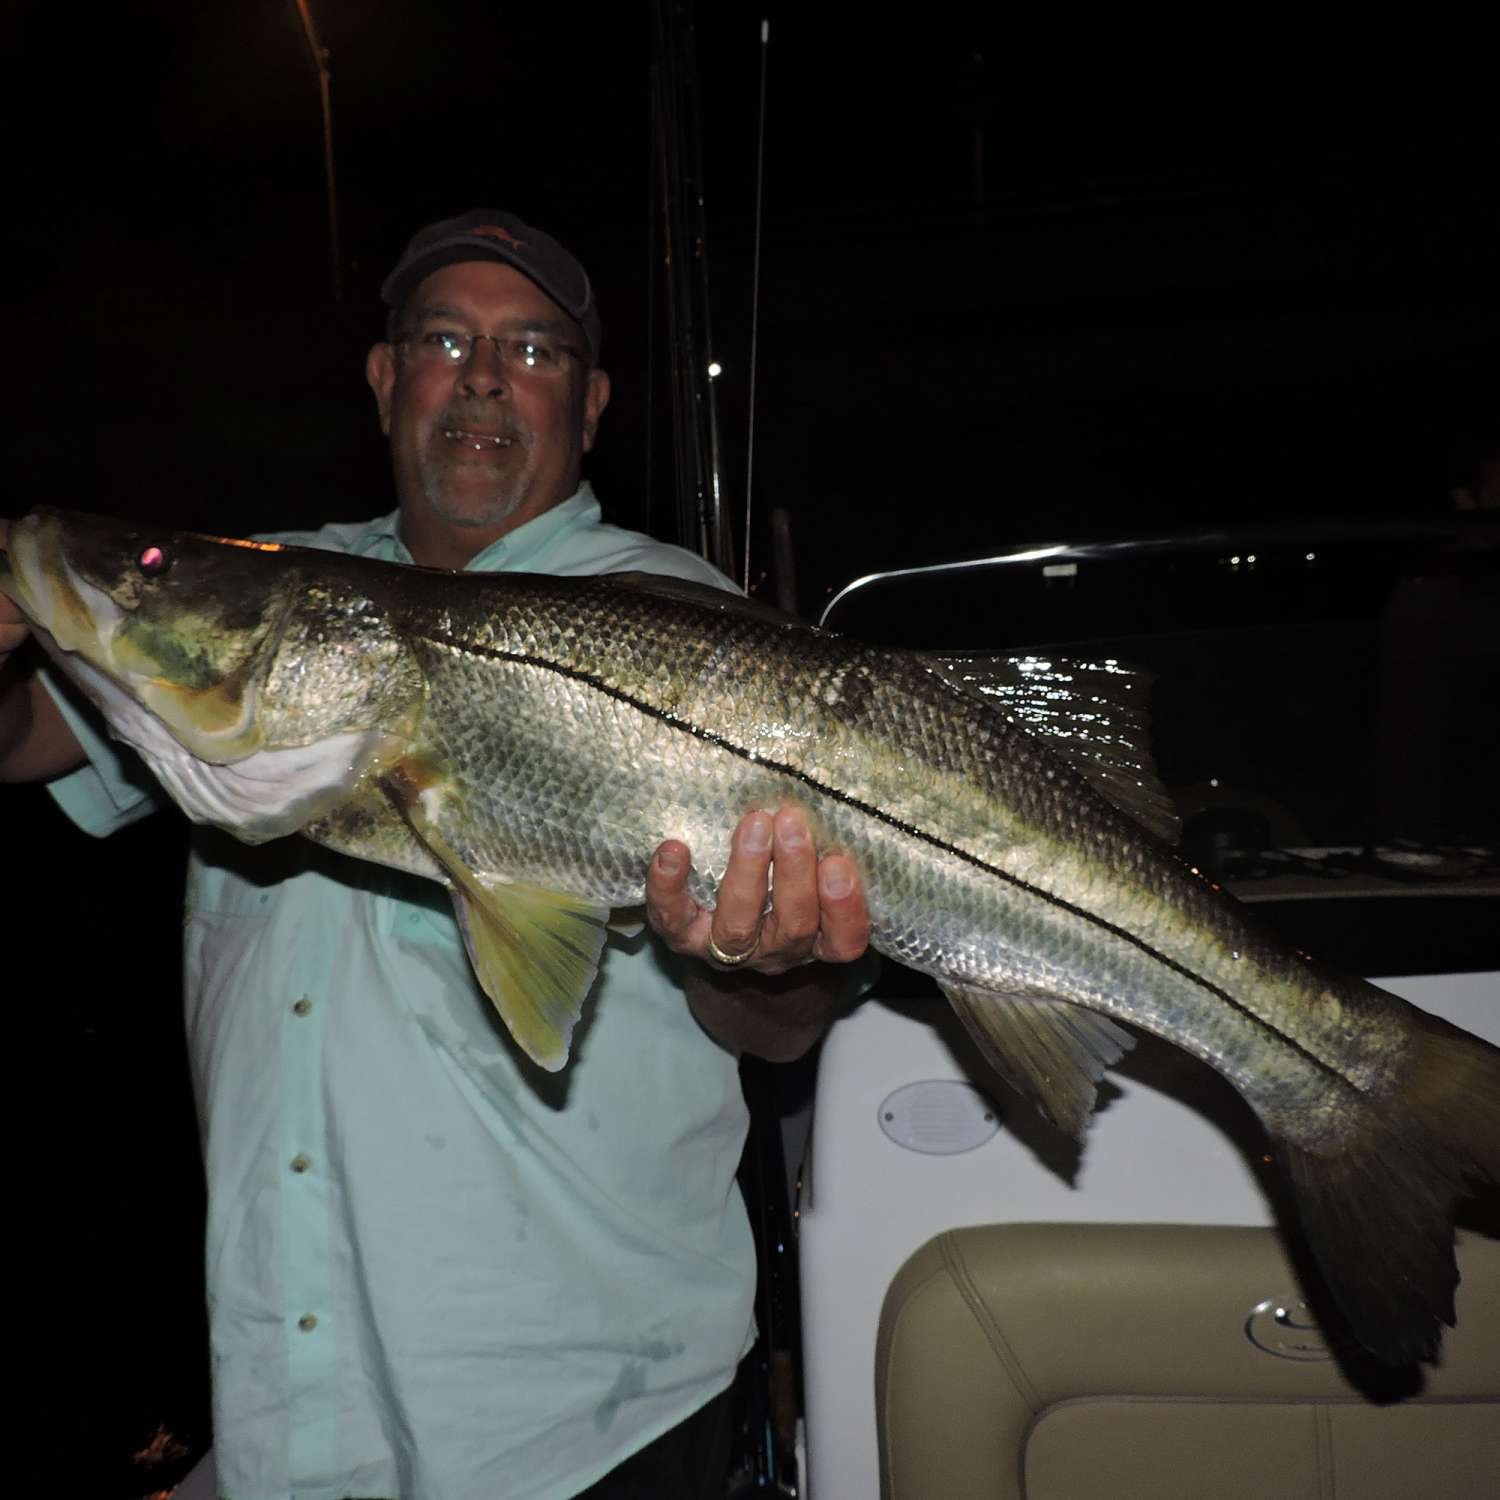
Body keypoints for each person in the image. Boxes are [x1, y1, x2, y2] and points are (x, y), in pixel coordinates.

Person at [0, 209, 871, 1500]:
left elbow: (784, 1027)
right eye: (444, 339)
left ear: (593, 406)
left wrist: (781, 960)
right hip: (286, 1416)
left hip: (595, 1429)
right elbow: (25, 736)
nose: (480, 375)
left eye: (532, 351)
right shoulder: (276, 596)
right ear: (382, 376)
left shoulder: (694, 635)